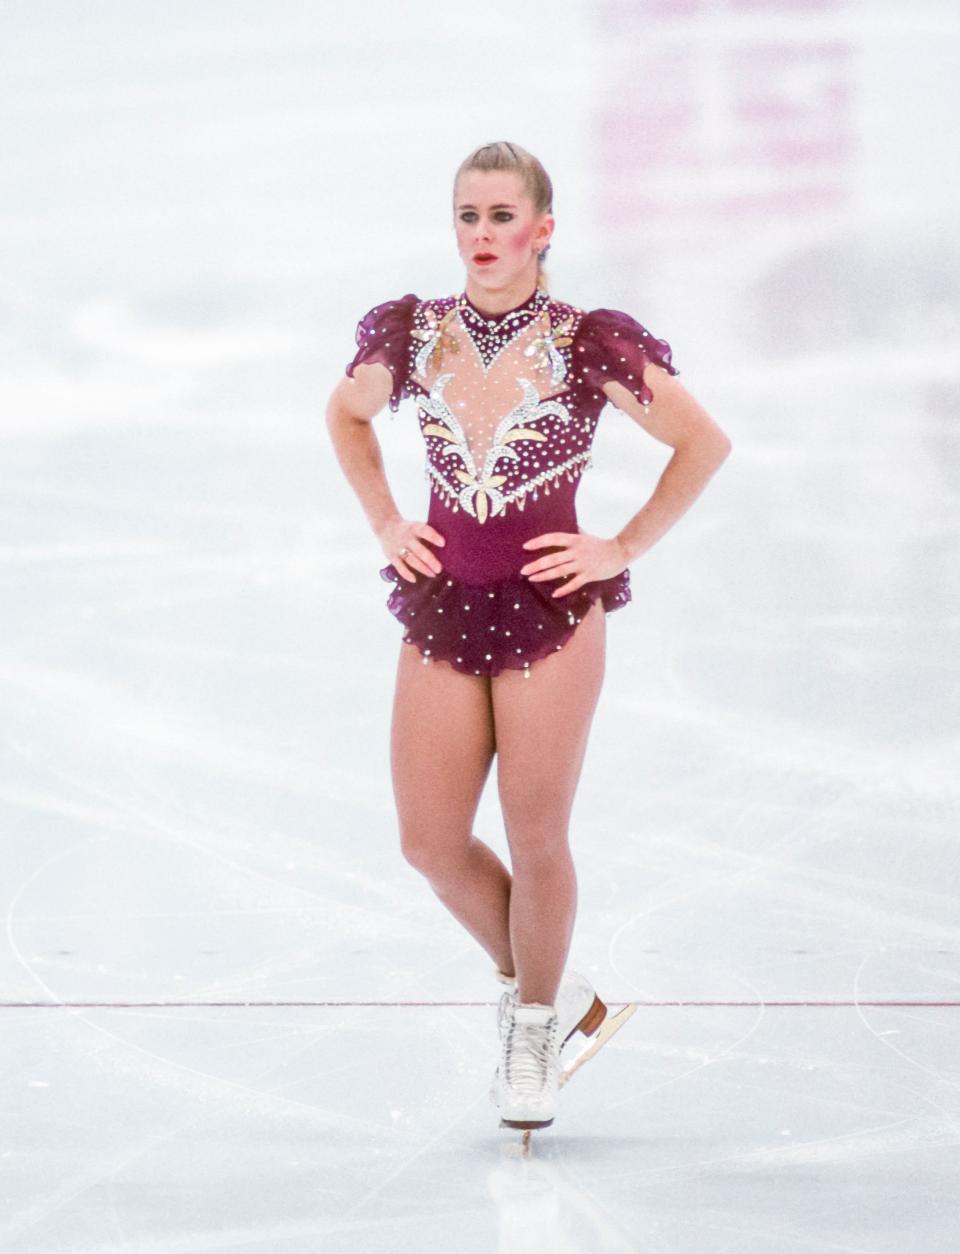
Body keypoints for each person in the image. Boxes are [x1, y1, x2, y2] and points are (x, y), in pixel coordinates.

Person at [326, 140, 732, 1133]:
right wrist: (385, 519)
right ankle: (559, 987)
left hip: (552, 610)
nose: (482, 236)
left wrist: (621, 545)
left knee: (536, 833)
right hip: (442, 601)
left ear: (542, 230)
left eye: (502, 217)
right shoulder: (413, 336)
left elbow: (701, 442)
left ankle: (537, 1023)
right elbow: (346, 416)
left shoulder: (588, 341)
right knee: (428, 840)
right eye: (468, 216)